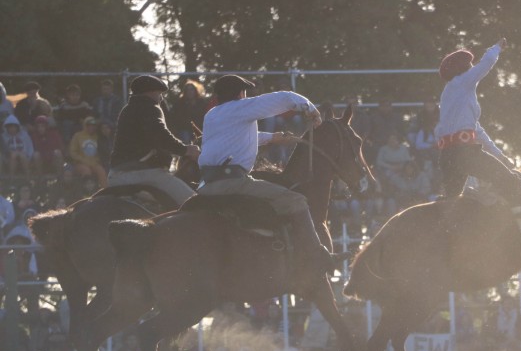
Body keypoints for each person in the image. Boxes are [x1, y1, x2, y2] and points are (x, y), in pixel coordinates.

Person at [197, 74, 343, 273]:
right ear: (240, 93)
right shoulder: (240, 108)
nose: (246, 95)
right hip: (233, 181)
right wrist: (310, 109)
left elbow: (233, 140)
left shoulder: (212, 114)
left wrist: (272, 138)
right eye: (244, 92)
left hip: (206, 185)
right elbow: (283, 98)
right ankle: (317, 256)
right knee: (296, 200)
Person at [435, 38, 521, 247]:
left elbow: (478, 132)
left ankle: (444, 240)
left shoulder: (451, 96)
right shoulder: (462, 83)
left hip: (448, 156)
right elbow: (486, 65)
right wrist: (497, 48)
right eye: (470, 66)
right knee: (512, 183)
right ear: (464, 69)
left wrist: (502, 157)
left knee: (451, 201)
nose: (473, 69)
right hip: (464, 153)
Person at [108, 75, 199, 207]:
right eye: (159, 93)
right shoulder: (149, 107)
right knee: (193, 202)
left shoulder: (127, 109)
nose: (161, 98)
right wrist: (186, 150)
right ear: (150, 92)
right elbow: (161, 136)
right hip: (141, 173)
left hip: (115, 176)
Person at [69, 117, 108, 188]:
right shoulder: (77, 136)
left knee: (101, 171)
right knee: (86, 171)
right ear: (85, 125)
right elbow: (72, 152)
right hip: (80, 163)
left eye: (93, 126)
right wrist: (83, 160)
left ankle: (104, 192)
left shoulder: (97, 137)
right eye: (89, 125)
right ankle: (86, 193)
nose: (91, 127)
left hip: (94, 163)